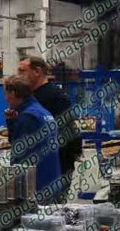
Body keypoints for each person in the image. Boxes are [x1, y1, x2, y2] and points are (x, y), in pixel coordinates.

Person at [18, 55, 80, 201]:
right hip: (36, 166)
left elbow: (68, 131)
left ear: (37, 71)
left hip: (56, 167)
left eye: (22, 71)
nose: (18, 75)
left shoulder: (55, 97)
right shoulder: (30, 98)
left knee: (51, 209)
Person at [4, 76, 63, 202]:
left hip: (36, 186)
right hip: (52, 181)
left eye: (6, 94)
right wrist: (12, 122)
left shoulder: (28, 117)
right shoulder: (43, 113)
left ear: (13, 93)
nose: (6, 99)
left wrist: (14, 188)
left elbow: (19, 155)